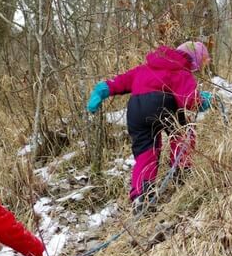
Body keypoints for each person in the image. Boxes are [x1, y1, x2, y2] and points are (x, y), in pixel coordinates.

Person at [85, 40, 213, 207]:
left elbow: (119, 82)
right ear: (193, 60)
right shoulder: (180, 71)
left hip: (136, 109)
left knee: (146, 151)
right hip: (162, 104)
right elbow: (190, 100)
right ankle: (182, 170)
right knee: (182, 132)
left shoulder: (144, 69)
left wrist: (101, 91)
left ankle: (141, 194)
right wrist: (204, 101)